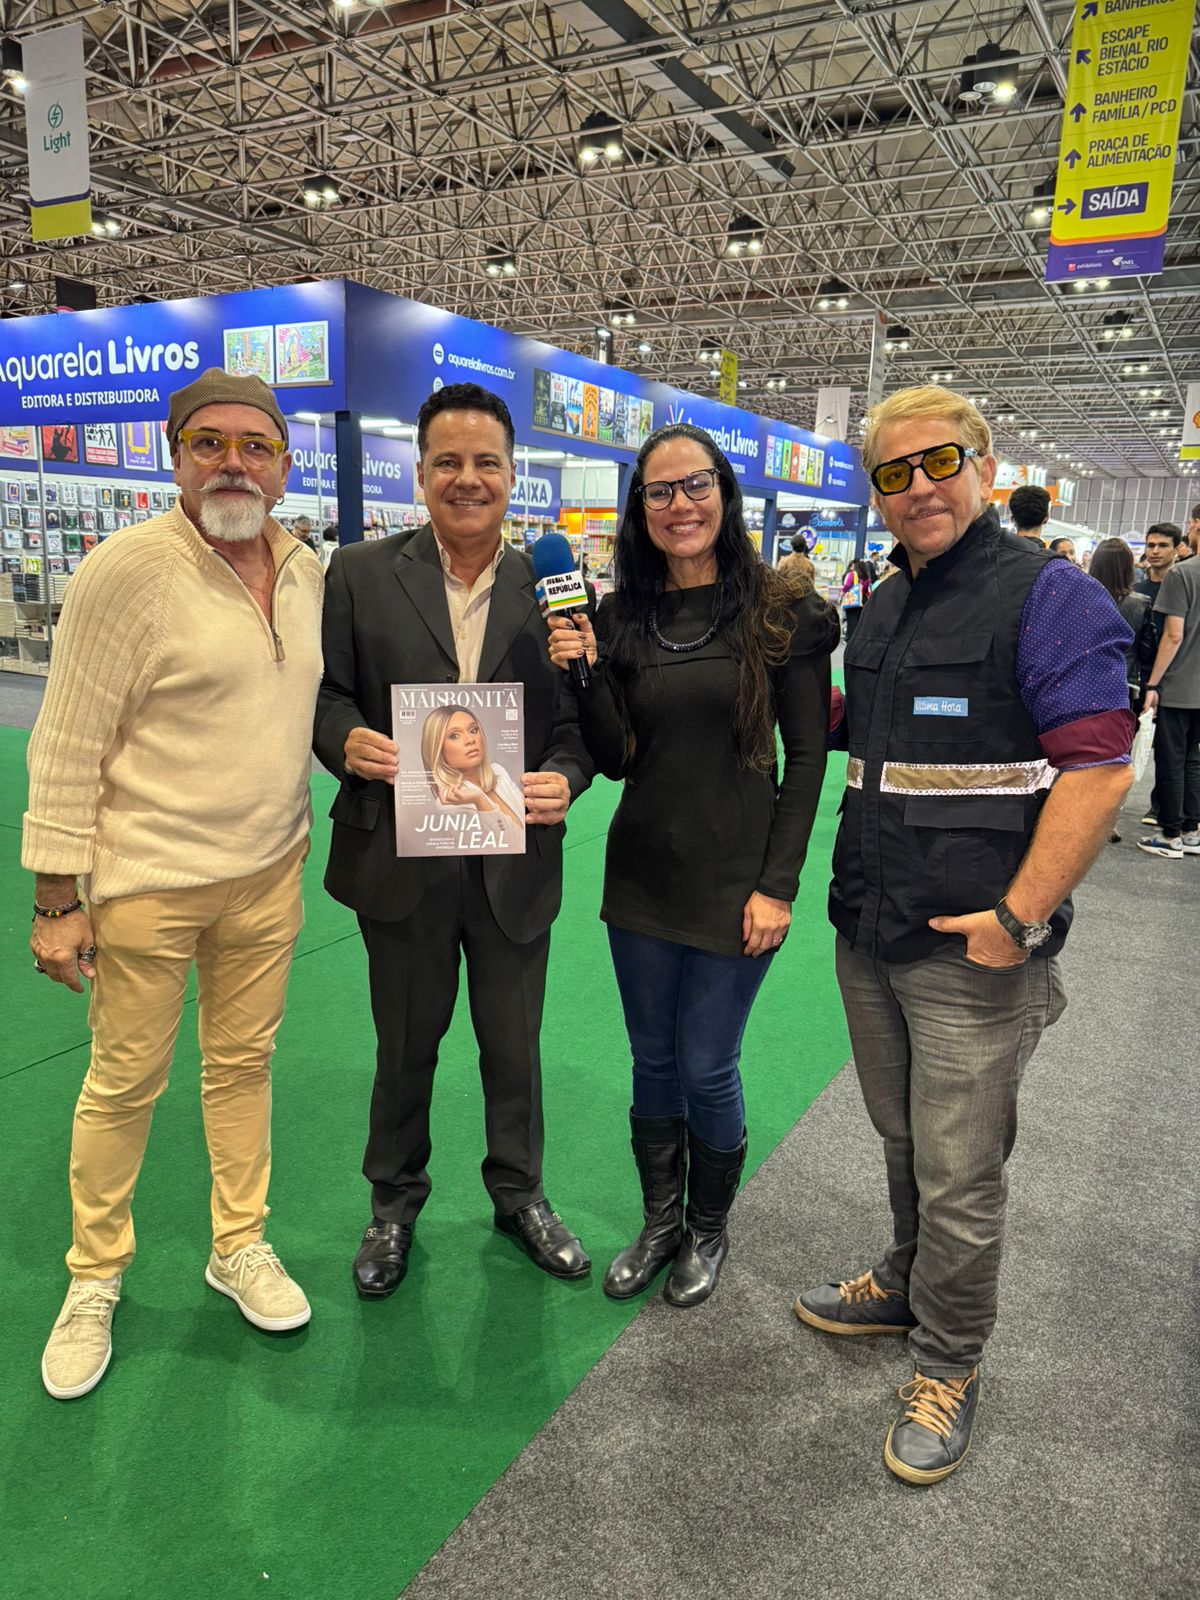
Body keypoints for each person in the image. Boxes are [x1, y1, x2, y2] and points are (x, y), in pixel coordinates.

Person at [794, 386, 1135, 1484]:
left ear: (984, 466)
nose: (919, 489)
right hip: (872, 927)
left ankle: (949, 1359)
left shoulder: (1050, 597)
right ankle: (906, 1283)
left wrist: (1017, 919)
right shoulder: (886, 601)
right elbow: (863, 743)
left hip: (973, 949)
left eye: (939, 462)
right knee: (902, 1138)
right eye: (893, 474)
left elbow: (1100, 768)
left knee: (960, 1172)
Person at [24, 369, 324, 1401]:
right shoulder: (126, 570)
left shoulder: (303, 569)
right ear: (176, 456)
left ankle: (237, 1243)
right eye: (210, 443)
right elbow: (66, 744)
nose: (234, 463)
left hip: (269, 876)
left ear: (284, 465)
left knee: (243, 1067)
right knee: (124, 1083)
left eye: (255, 446)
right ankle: (93, 1276)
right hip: (150, 884)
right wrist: (56, 901)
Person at [547, 423, 838, 1308]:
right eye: (660, 491)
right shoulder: (621, 615)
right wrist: (585, 676)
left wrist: (778, 886)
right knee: (652, 1060)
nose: (680, 505)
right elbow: (617, 759)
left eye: (696, 485)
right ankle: (659, 1224)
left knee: (707, 1062)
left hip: (737, 881)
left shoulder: (783, 611)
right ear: (640, 506)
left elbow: (808, 760)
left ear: (725, 493)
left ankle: (708, 1228)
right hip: (642, 875)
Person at [314, 382, 594, 1298]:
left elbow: (579, 723)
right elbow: (326, 695)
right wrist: (346, 742)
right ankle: (393, 1205)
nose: (467, 479)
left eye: (486, 463)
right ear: (420, 472)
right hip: (401, 858)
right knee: (405, 1047)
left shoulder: (552, 585)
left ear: (513, 476)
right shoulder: (358, 573)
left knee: (514, 1048)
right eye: (448, 462)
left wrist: (565, 776)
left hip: (513, 862)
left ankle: (520, 1195)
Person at [1138, 515, 1200, 860]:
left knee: (1171, 760)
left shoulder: (1182, 574)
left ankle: (1171, 834)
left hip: (1179, 684)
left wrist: (1154, 682)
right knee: (1193, 760)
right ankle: (1191, 831)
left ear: (1196, 526)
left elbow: (1173, 635)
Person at [420, 703, 525, 845]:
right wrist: (479, 800)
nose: (470, 740)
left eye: (473, 730)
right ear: (438, 749)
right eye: (455, 736)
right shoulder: (449, 805)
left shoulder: (497, 771)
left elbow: (526, 830)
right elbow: (511, 844)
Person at [1090, 538, 1156, 708]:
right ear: (1128, 567)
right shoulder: (1140, 603)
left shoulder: (1080, 599)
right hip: (1123, 683)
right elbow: (1146, 651)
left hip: (1084, 683)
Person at [839, 558, 873, 642]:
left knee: (851, 622)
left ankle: (851, 639)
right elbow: (869, 590)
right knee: (860, 621)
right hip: (863, 601)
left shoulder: (852, 575)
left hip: (852, 601)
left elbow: (847, 586)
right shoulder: (867, 577)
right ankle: (858, 639)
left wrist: (840, 596)